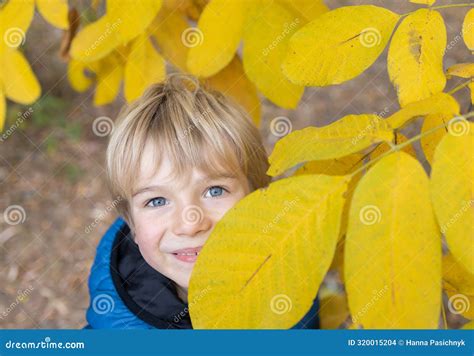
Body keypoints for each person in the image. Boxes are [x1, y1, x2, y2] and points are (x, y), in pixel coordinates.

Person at [85, 74, 319, 329]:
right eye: (157, 201)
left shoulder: (293, 287)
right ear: (132, 225)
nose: (190, 224)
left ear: (258, 199)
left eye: (215, 191)